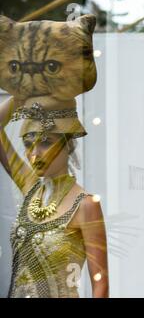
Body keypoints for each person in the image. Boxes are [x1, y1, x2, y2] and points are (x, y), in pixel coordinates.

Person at [0, 96, 109, 298]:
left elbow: (100, 286)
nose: (34, 154)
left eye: (45, 142)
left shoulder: (85, 205)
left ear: (68, 144)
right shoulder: (30, 187)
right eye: (28, 144)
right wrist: (20, 94)